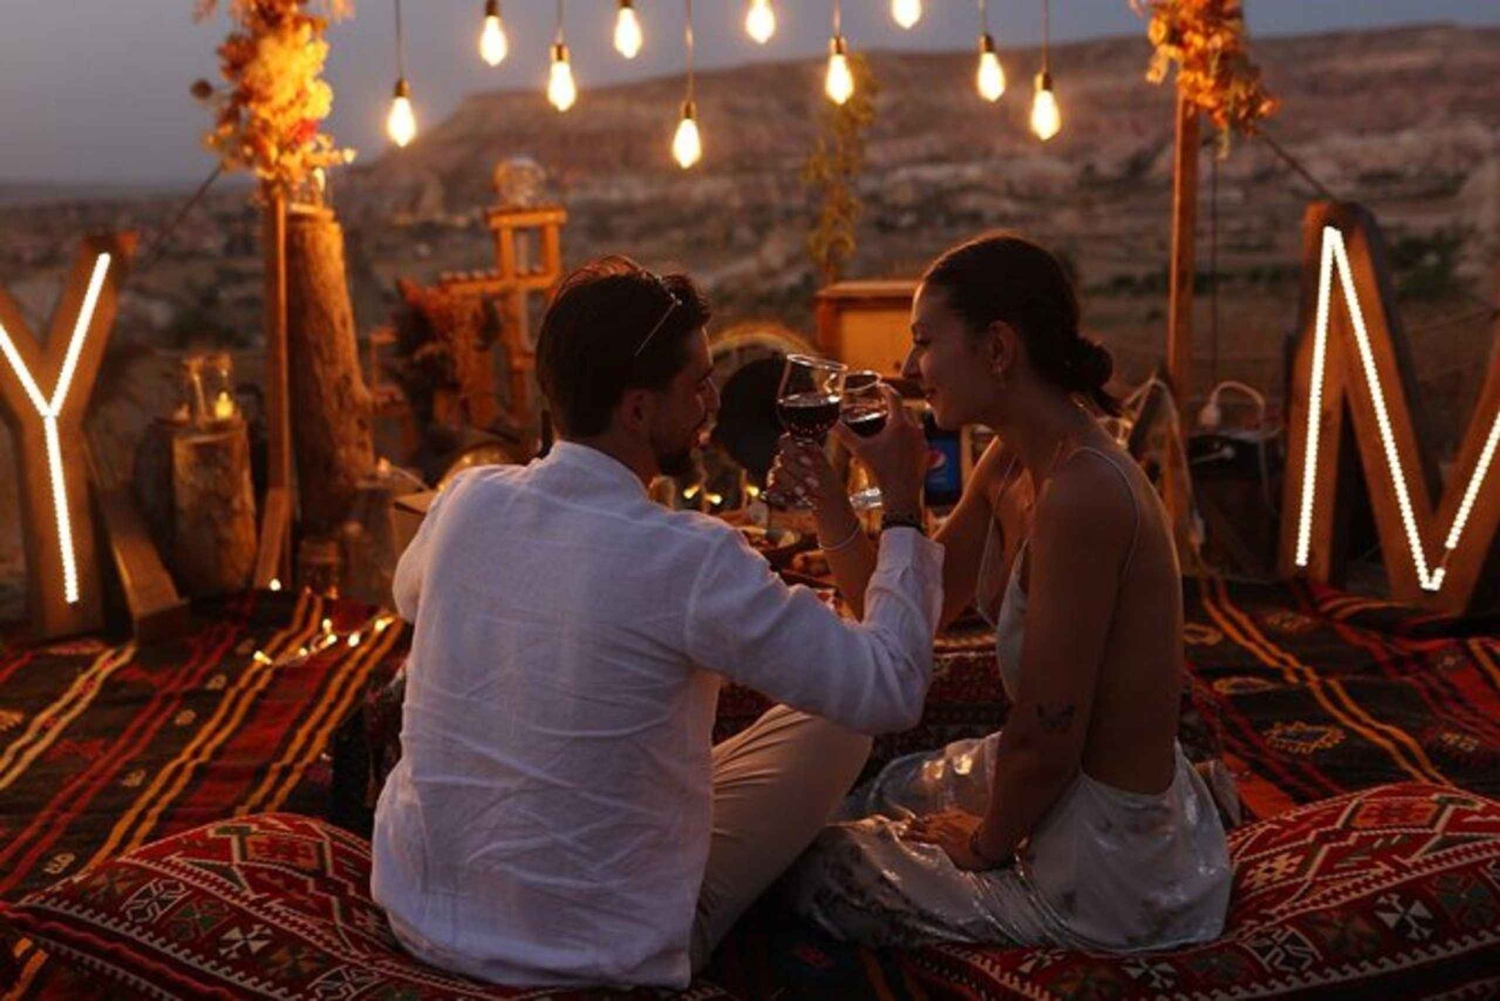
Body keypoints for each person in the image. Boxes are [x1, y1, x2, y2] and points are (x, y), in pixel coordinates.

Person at [371, 256, 945, 989]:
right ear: (637, 410)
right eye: (697, 383)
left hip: (423, 911)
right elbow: (892, 687)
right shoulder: (690, 557)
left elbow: (408, 597)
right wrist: (900, 499)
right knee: (843, 721)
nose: (711, 398)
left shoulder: (466, 501)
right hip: (597, 946)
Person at [770, 232, 1232, 951]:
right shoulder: (1010, 459)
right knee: (879, 787)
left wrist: (984, 844)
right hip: (1051, 779)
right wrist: (840, 498)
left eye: (925, 342)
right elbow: (895, 614)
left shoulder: (1082, 494)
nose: (909, 368)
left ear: (997, 349)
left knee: (813, 862)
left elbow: (1048, 738)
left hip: (1106, 861)